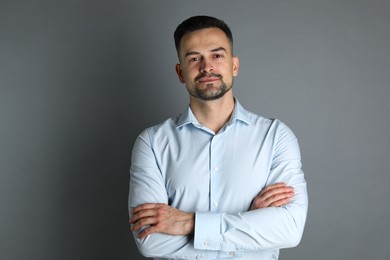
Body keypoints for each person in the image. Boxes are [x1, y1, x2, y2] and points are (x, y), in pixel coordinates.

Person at [128, 15, 308, 260]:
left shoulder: (276, 137)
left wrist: (189, 223)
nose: (206, 67)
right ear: (181, 73)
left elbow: (289, 229)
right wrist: (250, 222)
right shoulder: (152, 143)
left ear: (234, 65)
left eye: (217, 55)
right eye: (194, 58)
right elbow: (150, 241)